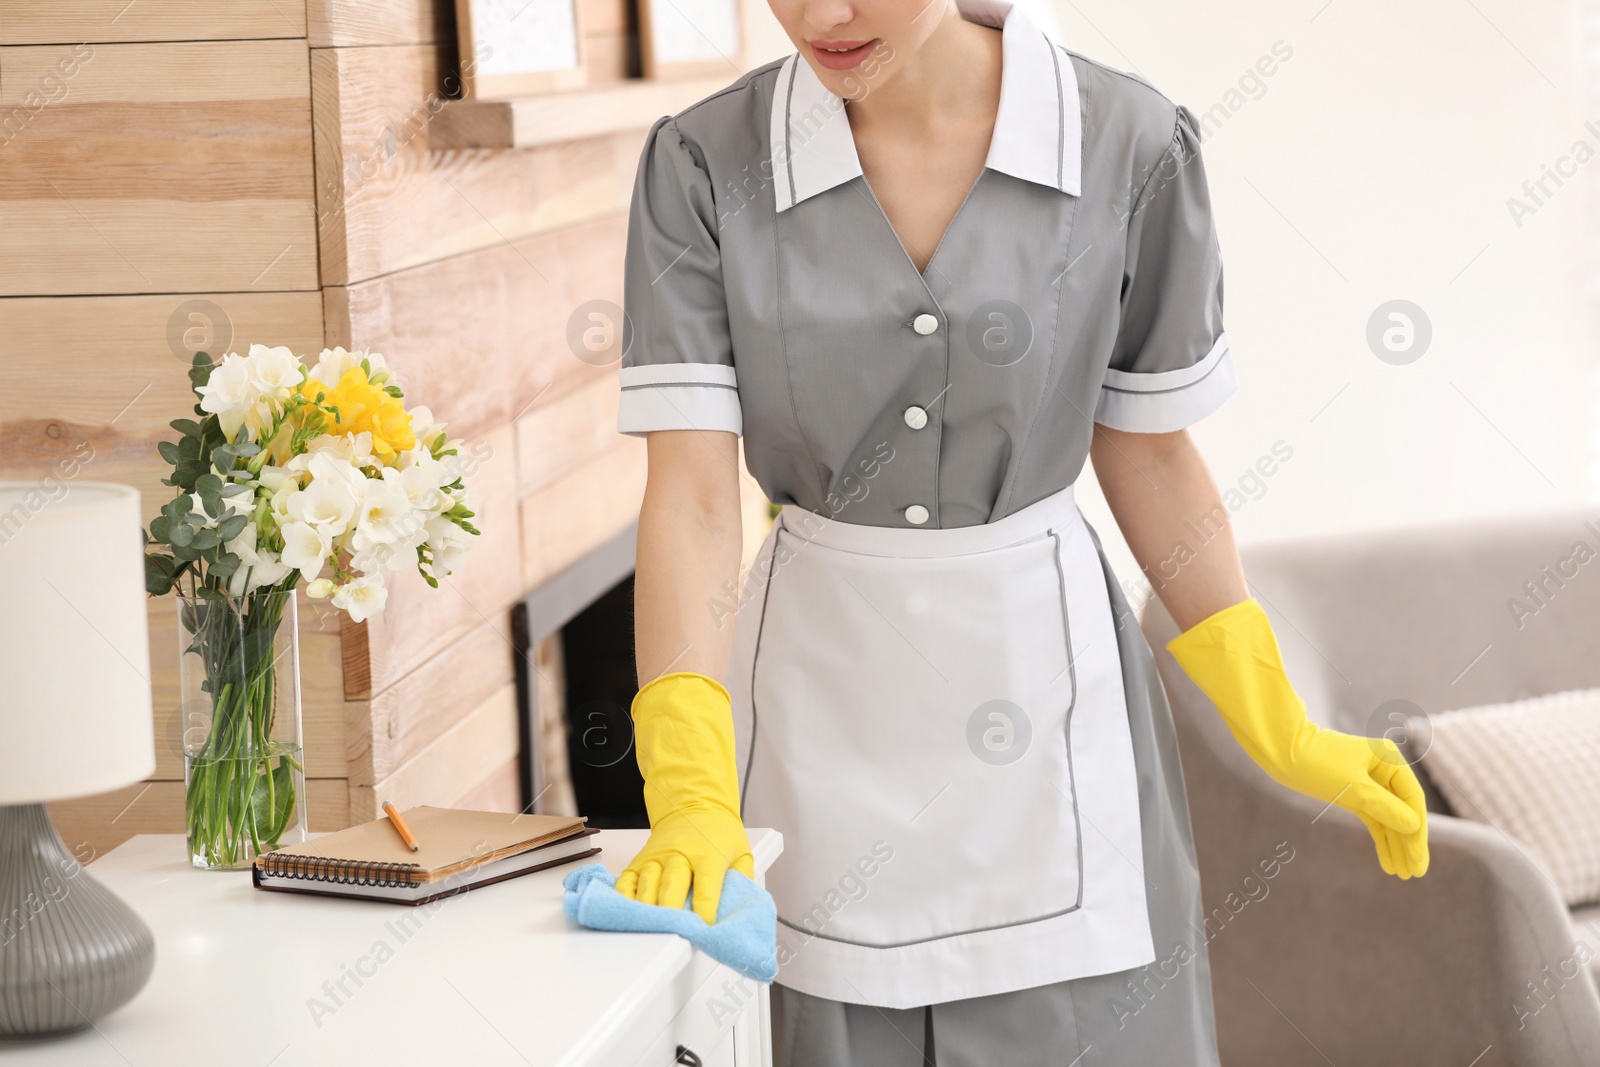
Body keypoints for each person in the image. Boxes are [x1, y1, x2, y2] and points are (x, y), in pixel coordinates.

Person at [610, 0, 1431, 1062]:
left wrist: (1272, 715)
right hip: (811, 710)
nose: (821, 16)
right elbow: (690, 495)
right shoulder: (701, 163)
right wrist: (685, 786)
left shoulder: (1129, 142)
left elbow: (1146, 449)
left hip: (1053, 715)